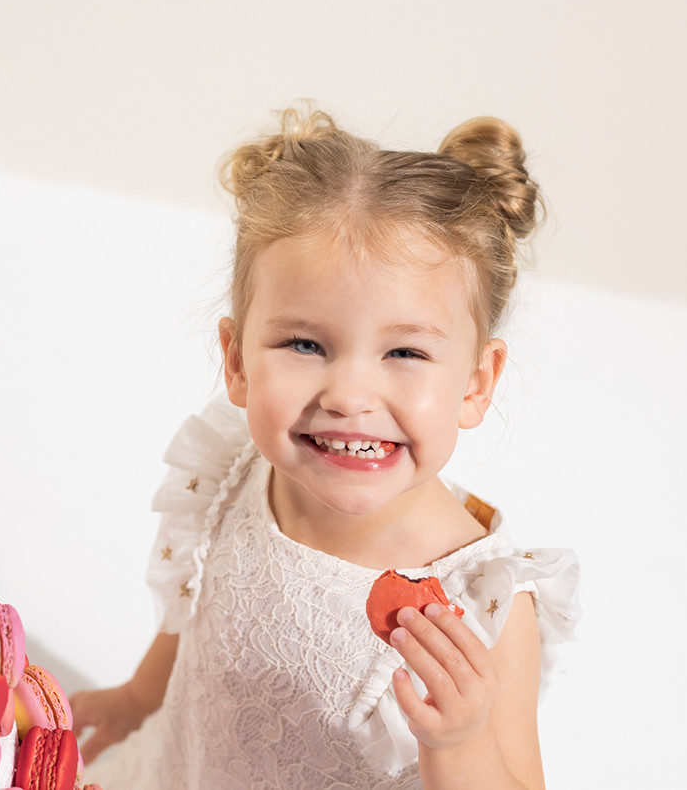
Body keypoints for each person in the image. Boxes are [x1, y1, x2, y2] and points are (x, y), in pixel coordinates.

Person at [71, 108, 580, 789]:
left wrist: (459, 743)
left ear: (476, 382)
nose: (348, 394)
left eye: (405, 351)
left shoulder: (484, 602)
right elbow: (200, 613)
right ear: (238, 361)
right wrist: (138, 699)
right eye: (306, 345)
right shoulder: (234, 472)